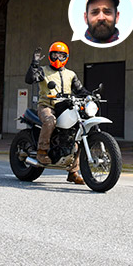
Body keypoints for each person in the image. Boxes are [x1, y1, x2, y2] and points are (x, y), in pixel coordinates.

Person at [24, 41, 88, 184]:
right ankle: (41, 151)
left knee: (76, 133)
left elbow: (80, 90)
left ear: (66, 57)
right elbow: (29, 79)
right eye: (55, 55)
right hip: (47, 105)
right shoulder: (43, 70)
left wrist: (90, 96)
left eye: (61, 55)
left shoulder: (70, 74)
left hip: (65, 107)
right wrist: (34, 64)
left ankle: (73, 172)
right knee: (49, 121)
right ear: (50, 56)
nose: (58, 58)